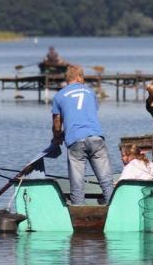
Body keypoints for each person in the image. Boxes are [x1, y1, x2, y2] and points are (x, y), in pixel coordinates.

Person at [51, 65, 114, 205]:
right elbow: (88, 114)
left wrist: (57, 138)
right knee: (106, 181)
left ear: (67, 79)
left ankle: (79, 214)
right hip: (96, 138)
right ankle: (113, 211)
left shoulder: (59, 95)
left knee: (77, 184)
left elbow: (57, 123)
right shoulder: (90, 92)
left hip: (75, 141)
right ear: (79, 77)